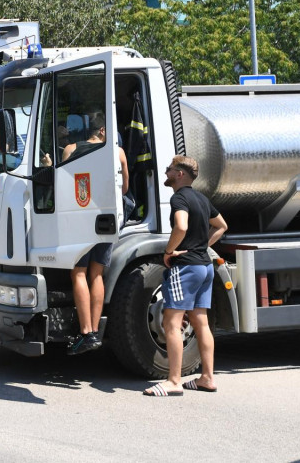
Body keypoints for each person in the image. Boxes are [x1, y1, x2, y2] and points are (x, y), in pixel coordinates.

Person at [143, 155, 227, 396]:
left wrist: (170, 251)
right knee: (200, 322)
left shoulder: (179, 198)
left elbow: (181, 226)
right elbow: (222, 225)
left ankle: (174, 381)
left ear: (180, 174)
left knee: (171, 322)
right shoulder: (201, 199)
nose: (166, 172)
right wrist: (203, 246)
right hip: (205, 267)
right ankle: (207, 378)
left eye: (170, 169)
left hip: (186, 268)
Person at [65, 113, 130, 355]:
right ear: (103, 130)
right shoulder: (118, 153)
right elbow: (125, 189)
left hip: (80, 218)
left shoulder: (71, 150)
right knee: (96, 274)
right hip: (107, 220)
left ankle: (86, 332)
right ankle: (94, 331)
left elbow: (63, 186)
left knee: (78, 273)